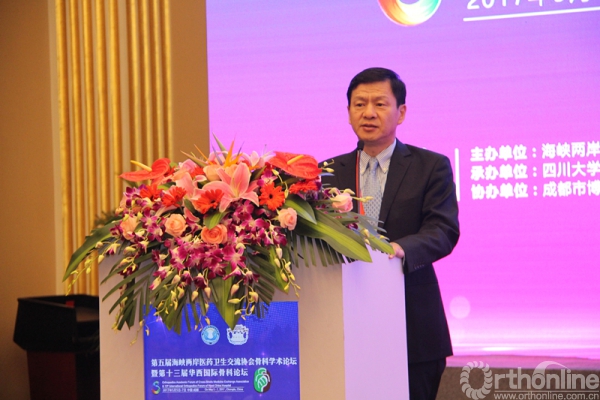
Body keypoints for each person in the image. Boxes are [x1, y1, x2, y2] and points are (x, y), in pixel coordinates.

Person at [322, 67, 460, 400]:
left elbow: (443, 229)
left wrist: (398, 249)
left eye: (380, 104)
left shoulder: (430, 166)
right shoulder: (327, 172)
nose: (368, 113)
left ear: (401, 112)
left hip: (413, 324)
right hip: (343, 326)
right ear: (348, 112)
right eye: (359, 104)